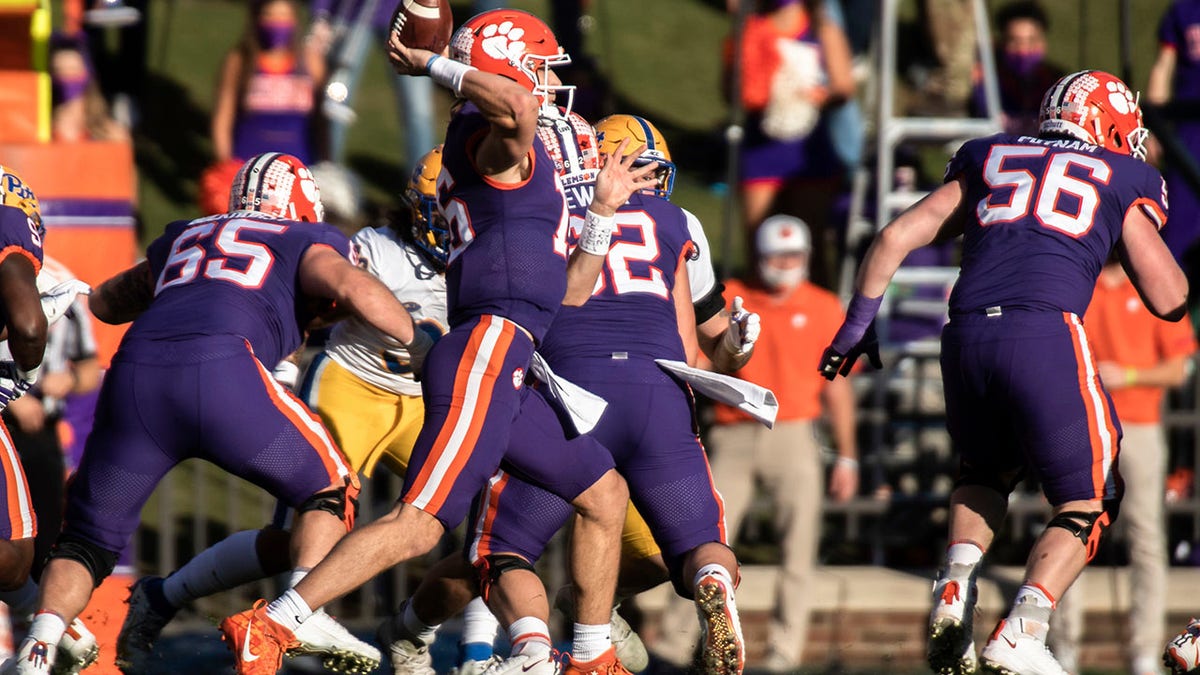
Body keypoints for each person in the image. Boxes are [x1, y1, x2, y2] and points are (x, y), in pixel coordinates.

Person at [219, 10, 659, 675]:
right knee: (420, 521)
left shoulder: (514, 146)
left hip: (515, 357)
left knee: (603, 494)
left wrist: (599, 214)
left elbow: (571, 290)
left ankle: (592, 656)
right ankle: (273, 622)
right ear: (507, 72)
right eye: (538, 71)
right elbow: (511, 102)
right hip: (484, 347)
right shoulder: (494, 140)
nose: (546, 87)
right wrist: (430, 63)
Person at [7, 152, 434, 674]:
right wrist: (417, 342)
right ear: (301, 208)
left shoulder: (188, 235)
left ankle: (40, 645)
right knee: (328, 487)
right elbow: (350, 286)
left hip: (136, 378)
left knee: (87, 540)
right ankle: (297, 612)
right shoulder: (301, 239)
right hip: (222, 374)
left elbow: (107, 304)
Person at [819, 70, 1187, 675]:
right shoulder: (1122, 175)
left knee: (985, 471)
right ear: (1104, 123)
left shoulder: (991, 154)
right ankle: (1022, 629)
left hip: (964, 333)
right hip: (1045, 331)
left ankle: (955, 582)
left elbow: (892, 238)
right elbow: (1169, 298)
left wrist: (856, 326)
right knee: (1090, 499)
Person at [654, 214, 858, 673]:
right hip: (734, 432)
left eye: (793, 255)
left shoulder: (825, 306)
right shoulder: (730, 298)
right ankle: (674, 645)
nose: (784, 264)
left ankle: (784, 654)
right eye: (775, 255)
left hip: (796, 434)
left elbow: (838, 386)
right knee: (701, 541)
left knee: (799, 552)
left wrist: (847, 455)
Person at [1045, 257, 1197, 675]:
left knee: (1146, 538)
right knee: (1069, 529)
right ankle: (1062, 645)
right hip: (1081, 423)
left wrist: (1128, 375)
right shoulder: (1075, 283)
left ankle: (1145, 652)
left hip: (1141, 426)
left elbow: (1179, 369)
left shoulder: (1154, 286)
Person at [0, 170, 100, 675]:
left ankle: (31, 636)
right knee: (15, 550)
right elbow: (28, 326)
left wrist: (50, 380)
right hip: (10, 416)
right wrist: (24, 374)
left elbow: (87, 364)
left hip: (37, 430)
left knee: (26, 549)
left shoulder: (54, 275)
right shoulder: (12, 237)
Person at [734, 0, 855, 287]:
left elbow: (844, 86)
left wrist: (818, 95)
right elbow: (731, 91)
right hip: (761, 149)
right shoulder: (751, 27)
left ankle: (817, 322)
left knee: (810, 247)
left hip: (808, 152)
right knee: (759, 245)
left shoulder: (821, 27)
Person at [213, 0, 325, 166]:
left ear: (294, 20)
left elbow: (324, 122)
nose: (277, 22)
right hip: (249, 165)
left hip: (300, 167)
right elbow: (223, 117)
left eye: (283, 16)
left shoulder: (310, 61)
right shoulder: (241, 61)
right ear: (257, 19)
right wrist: (225, 165)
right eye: (269, 15)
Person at [1149, 0, 1200, 262]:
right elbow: (1163, 67)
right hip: (1189, 128)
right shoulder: (1184, 11)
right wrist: (1155, 129)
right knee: (1180, 222)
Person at [968, 1, 1065, 136]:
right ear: (1002, 43)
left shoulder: (1058, 85)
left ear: (1043, 43)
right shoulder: (986, 84)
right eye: (1015, 41)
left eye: (1031, 40)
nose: (1023, 50)